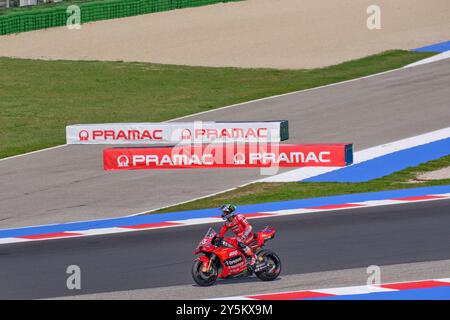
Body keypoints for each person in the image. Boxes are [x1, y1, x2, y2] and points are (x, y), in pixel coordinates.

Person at [217, 204, 257, 270]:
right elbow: (222, 232)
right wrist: (218, 239)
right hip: (239, 238)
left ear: (230, 212)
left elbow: (249, 227)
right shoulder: (227, 222)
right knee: (226, 242)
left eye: (225, 212)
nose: (223, 214)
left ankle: (253, 257)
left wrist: (243, 236)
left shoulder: (239, 217)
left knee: (239, 243)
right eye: (223, 212)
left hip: (248, 236)